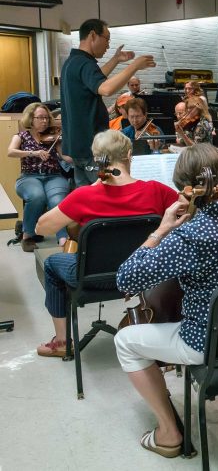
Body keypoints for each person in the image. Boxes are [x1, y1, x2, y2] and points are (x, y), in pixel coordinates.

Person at [114, 144, 218, 458]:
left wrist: (163, 228)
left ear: (185, 189)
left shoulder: (189, 235)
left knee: (124, 342)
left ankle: (168, 433)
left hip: (205, 341)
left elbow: (126, 278)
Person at [32, 130, 178, 357]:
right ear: (129, 154)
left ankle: (62, 342)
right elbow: (189, 213)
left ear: (96, 159)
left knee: (51, 262)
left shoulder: (84, 196)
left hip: (95, 280)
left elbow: (41, 228)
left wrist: (86, 196)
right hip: (143, 276)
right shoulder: (156, 190)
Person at [60, 19, 155, 187]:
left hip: (79, 148)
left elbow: (94, 79)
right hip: (92, 149)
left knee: (87, 200)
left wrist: (116, 60)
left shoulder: (73, 61)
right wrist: (134, 66)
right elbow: (105, 89)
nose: (108, 45)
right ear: (93, 35)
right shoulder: (84, 63)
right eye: (107, 38)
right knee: (106, 196)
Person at [8, 103, 70, 251]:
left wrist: (78, 156)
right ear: (31, 118)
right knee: (37, 196)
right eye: (40, 118)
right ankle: (27, 236)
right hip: (29, 177)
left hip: (53, 176)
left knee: (57, 200)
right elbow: (10, 152)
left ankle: (63, 237)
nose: (44, 121)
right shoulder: (21, 136)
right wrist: (33, 153)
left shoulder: (54, 137)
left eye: (46, 118)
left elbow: (65, 158)